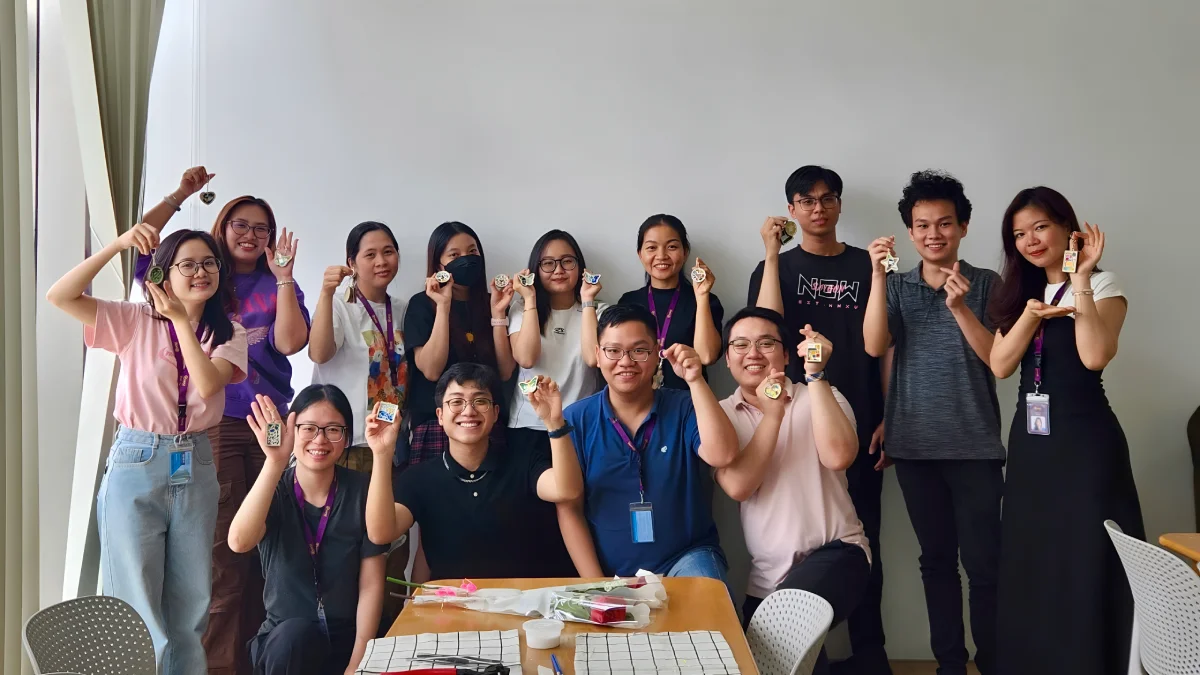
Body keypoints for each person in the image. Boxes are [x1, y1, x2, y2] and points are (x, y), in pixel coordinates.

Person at [48, 226, 248, 674]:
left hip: (194, 458)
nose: (201, 272)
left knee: (192, 603)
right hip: (137, 458)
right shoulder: (133, 319)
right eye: (188, 264)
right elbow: (60, 295)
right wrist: (118, 246)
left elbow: (208, 382)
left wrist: (180, 320)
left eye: (210, 263)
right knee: (135, 602)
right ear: (162, 273)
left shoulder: (229, 331)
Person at [135, 168, 312, 674]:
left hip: (274, 420)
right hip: (219, 422)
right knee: (224, 554)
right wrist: (178, 196)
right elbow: (144, 251)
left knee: (270, 542)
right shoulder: (200, 272)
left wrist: (283, 280)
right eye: (241, 225)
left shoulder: (279, 281)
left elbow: (290, 343)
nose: (251, 235)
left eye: (261, 228)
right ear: (222, 227)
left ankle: (260, 661)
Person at [989, 187, 1143, 674]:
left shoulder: (1102, 285)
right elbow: (999, 364)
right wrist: (1030, 316)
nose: (1030, 241)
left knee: (1086, 555)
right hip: (1032, 445)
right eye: (1018, 234)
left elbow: (1095, 356)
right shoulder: (1017, 294)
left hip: (1085, 443)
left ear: (1065, 228)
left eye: (1039, 227)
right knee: (1035, 557)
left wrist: (1078, 280)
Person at [748, 165, 891, 674]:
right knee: (796, 542)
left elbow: (885, 347)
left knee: (863, 538)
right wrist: (769, 255)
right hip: (792, 423)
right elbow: (764, 332)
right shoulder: (778, 268)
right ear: (791, 209)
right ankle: (811, 658)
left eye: (827, 199)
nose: (817, 208)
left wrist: (888, 414)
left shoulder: (865, 265)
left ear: (839, 204)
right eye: (806, 201)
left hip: (860, 422)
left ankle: (870, 658)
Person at [863, 169, 1003, 675]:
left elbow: (997, 361)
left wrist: (962, 307)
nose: (933, 234)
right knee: (937, 564)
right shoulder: (897, 286)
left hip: (977, 447)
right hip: (916, 446)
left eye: (944, 224)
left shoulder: (987, 284)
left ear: (963, 227)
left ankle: (993, 662)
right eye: (922, 225)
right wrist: (877, 277)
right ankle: (950, 665)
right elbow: (876, 345)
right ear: (909, 231)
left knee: (986, 567)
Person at [717, 307, 868, 675]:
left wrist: (815, 376)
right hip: (766, 581)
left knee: (785, 631)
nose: (753, 353)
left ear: (787, 354)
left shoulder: (821, 396)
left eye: (766, 343)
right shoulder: (720, 415)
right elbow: (738, 486)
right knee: (768, 663)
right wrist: (772, 415)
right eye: (740, 344)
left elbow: (839, 456)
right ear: (726, 358)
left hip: (838, 553)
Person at [555, 304, 739, 583]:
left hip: (687, 556)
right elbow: (569, 508)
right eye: (613, 351)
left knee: (714, 623)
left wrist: (696, 380)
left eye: (639, 350)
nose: (625, 361)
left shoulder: (685, 405)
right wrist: (595, 584)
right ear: (597, 354)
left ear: (657, 353)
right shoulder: (575, 419)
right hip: (611, 569)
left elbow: (722, 455)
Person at [362, 364, 583, 579]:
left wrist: (554, 423)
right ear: (440, 415)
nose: (468, 411)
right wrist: (382, 454)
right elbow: (381, 533)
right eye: (456, 402)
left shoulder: (523, 461)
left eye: (480, 401)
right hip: (453, 609)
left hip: (520, 606)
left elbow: (567, 490)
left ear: (496, 413)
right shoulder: (418, 478)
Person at [228, 387, 389, 675]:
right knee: (296, 637)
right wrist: (275, 461)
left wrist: (358, 662)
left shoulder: (363, 490)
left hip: (348, 639)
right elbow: (239, 541)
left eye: (333, 430)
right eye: (309, 428)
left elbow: (371, 584)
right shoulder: (274, 488)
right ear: (292, 430)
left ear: (347, 438)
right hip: (286, 645)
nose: (320, 440)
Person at [507, 230, 606, 576]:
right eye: (548, 263)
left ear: (580, 266)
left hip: (579, 428)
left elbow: (596, 360)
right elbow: (527, 356)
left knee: (575, 509)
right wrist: (531, 301)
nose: (558, 269)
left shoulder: (597, 311)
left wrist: (590, 301)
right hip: (529, 428)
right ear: (535, 269)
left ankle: (588, 585)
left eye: (567, 261)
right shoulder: (521, 309)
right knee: (534, 517)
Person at [402, 222, 517, 466]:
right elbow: (431, 370)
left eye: (472, 252)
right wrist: (443, 306)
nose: (466, 259)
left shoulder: (491, 301)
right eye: (454, 255)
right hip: (437, 425)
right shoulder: (422, 305)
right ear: (438, 265)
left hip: (486, 422)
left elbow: (505, 371)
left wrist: (498, 313)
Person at [309, 221, 406, 474]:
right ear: (352, 263)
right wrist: (326, 294)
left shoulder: (403, 309)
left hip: (389, 440)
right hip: (343, 440)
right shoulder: (339, 305)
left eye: (388, 252)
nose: (381, 261)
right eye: (370, 254)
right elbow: (319, 354)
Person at [618, 215, 724, 391]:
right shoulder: (628, 302)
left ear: (685, 252)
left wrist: (702, 295)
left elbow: (706, 356)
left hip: (689, 404)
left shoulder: (706, 301)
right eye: (651, 247)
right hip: (637, 404)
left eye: (672, 247)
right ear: (640, 254)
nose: (661, 256)